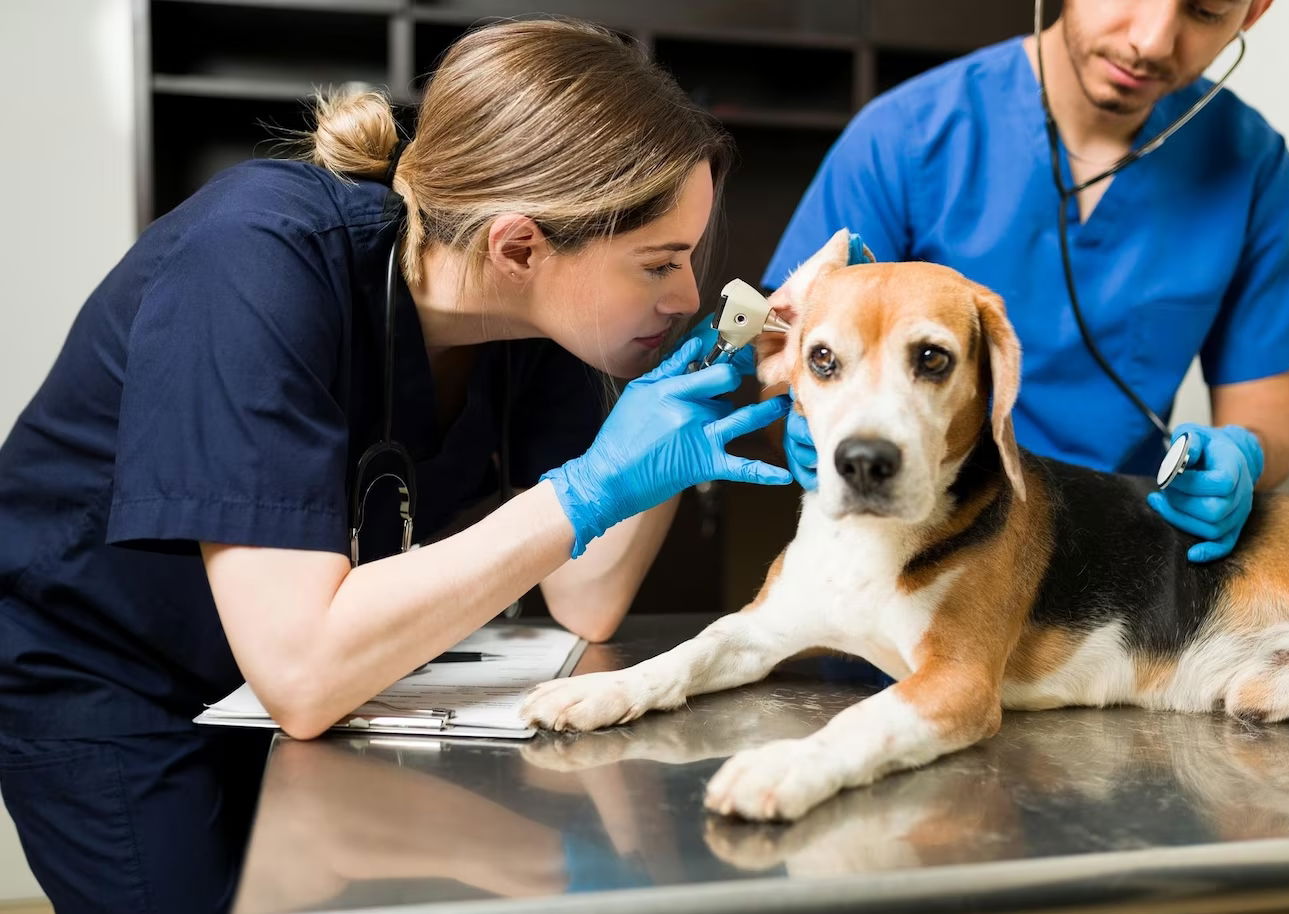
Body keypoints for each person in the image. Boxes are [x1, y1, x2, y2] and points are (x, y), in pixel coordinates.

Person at [0, 19, 790, 913]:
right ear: (520, 246)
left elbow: (588, 595)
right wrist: (588, 487)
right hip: (105, 668)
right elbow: (301, 675)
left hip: (296, 671)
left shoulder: (530, 323)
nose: (687, 296)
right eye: (660, 264)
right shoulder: (251, 262)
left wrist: (675, 415)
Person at [764, 0, 1289, 562]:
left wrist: (1243, 456)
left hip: (1119, 550)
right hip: (918, 540)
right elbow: (786, 358)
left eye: (1204, 11)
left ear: (1252, 12)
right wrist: (807, 422)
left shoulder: (1250, 165)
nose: (1150, 40)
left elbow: (1270, 410)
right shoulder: (905, 137)